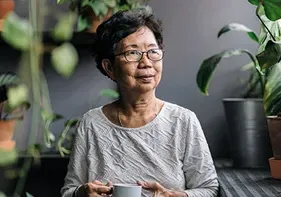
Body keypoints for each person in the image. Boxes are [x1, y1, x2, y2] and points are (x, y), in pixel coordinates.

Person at [61, 6, 219, 197]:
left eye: (153, 51)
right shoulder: (91, 124)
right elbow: (69, 191)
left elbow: (209, 188)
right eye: (133, 53)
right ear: (109, 67)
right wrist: (81, 193)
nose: (146, 62)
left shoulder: (183, 121)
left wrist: (177, 196)